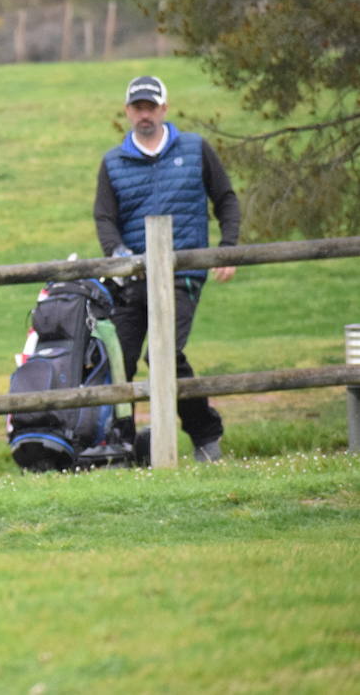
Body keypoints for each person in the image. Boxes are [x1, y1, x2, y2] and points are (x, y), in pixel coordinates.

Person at [94, 75, 240, 462]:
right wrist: (119, 253)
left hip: (182, 276)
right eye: (137, 108)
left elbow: (224, 198)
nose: (144, 114)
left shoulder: (194, 149)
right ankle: (121, 446)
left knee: (162, 354)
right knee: (120, 363)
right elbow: (104, 218)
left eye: (150, 107)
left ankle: (206, 439)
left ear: (164, 109)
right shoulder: (113, 162)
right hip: (133, 281)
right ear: (128, 112)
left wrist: (227, 249)